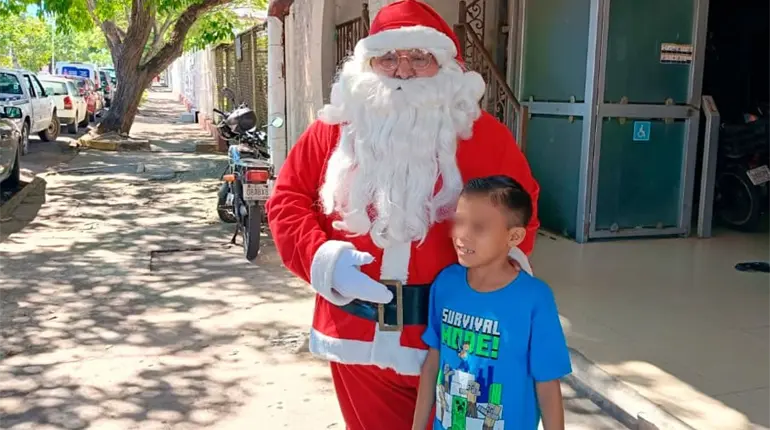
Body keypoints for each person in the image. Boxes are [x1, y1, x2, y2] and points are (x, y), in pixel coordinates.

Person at [266, 1, 541, 429]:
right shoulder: (334, 128)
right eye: (389, 57)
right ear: (370, 64)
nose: (403, 71)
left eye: (420, 58)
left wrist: (497, 286)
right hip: (356, 337)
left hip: (457, 342)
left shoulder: (486, 136)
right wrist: (324, 262)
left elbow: (522, 217)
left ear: (446, 67)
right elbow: (287, 200)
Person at [412, 176, 572, 430]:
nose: (462, 235)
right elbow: (433, 362)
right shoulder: (446, 284)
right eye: (460, 221)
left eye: (479, 227)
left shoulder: (534, 299)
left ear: (515, 236)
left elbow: (547, 384)